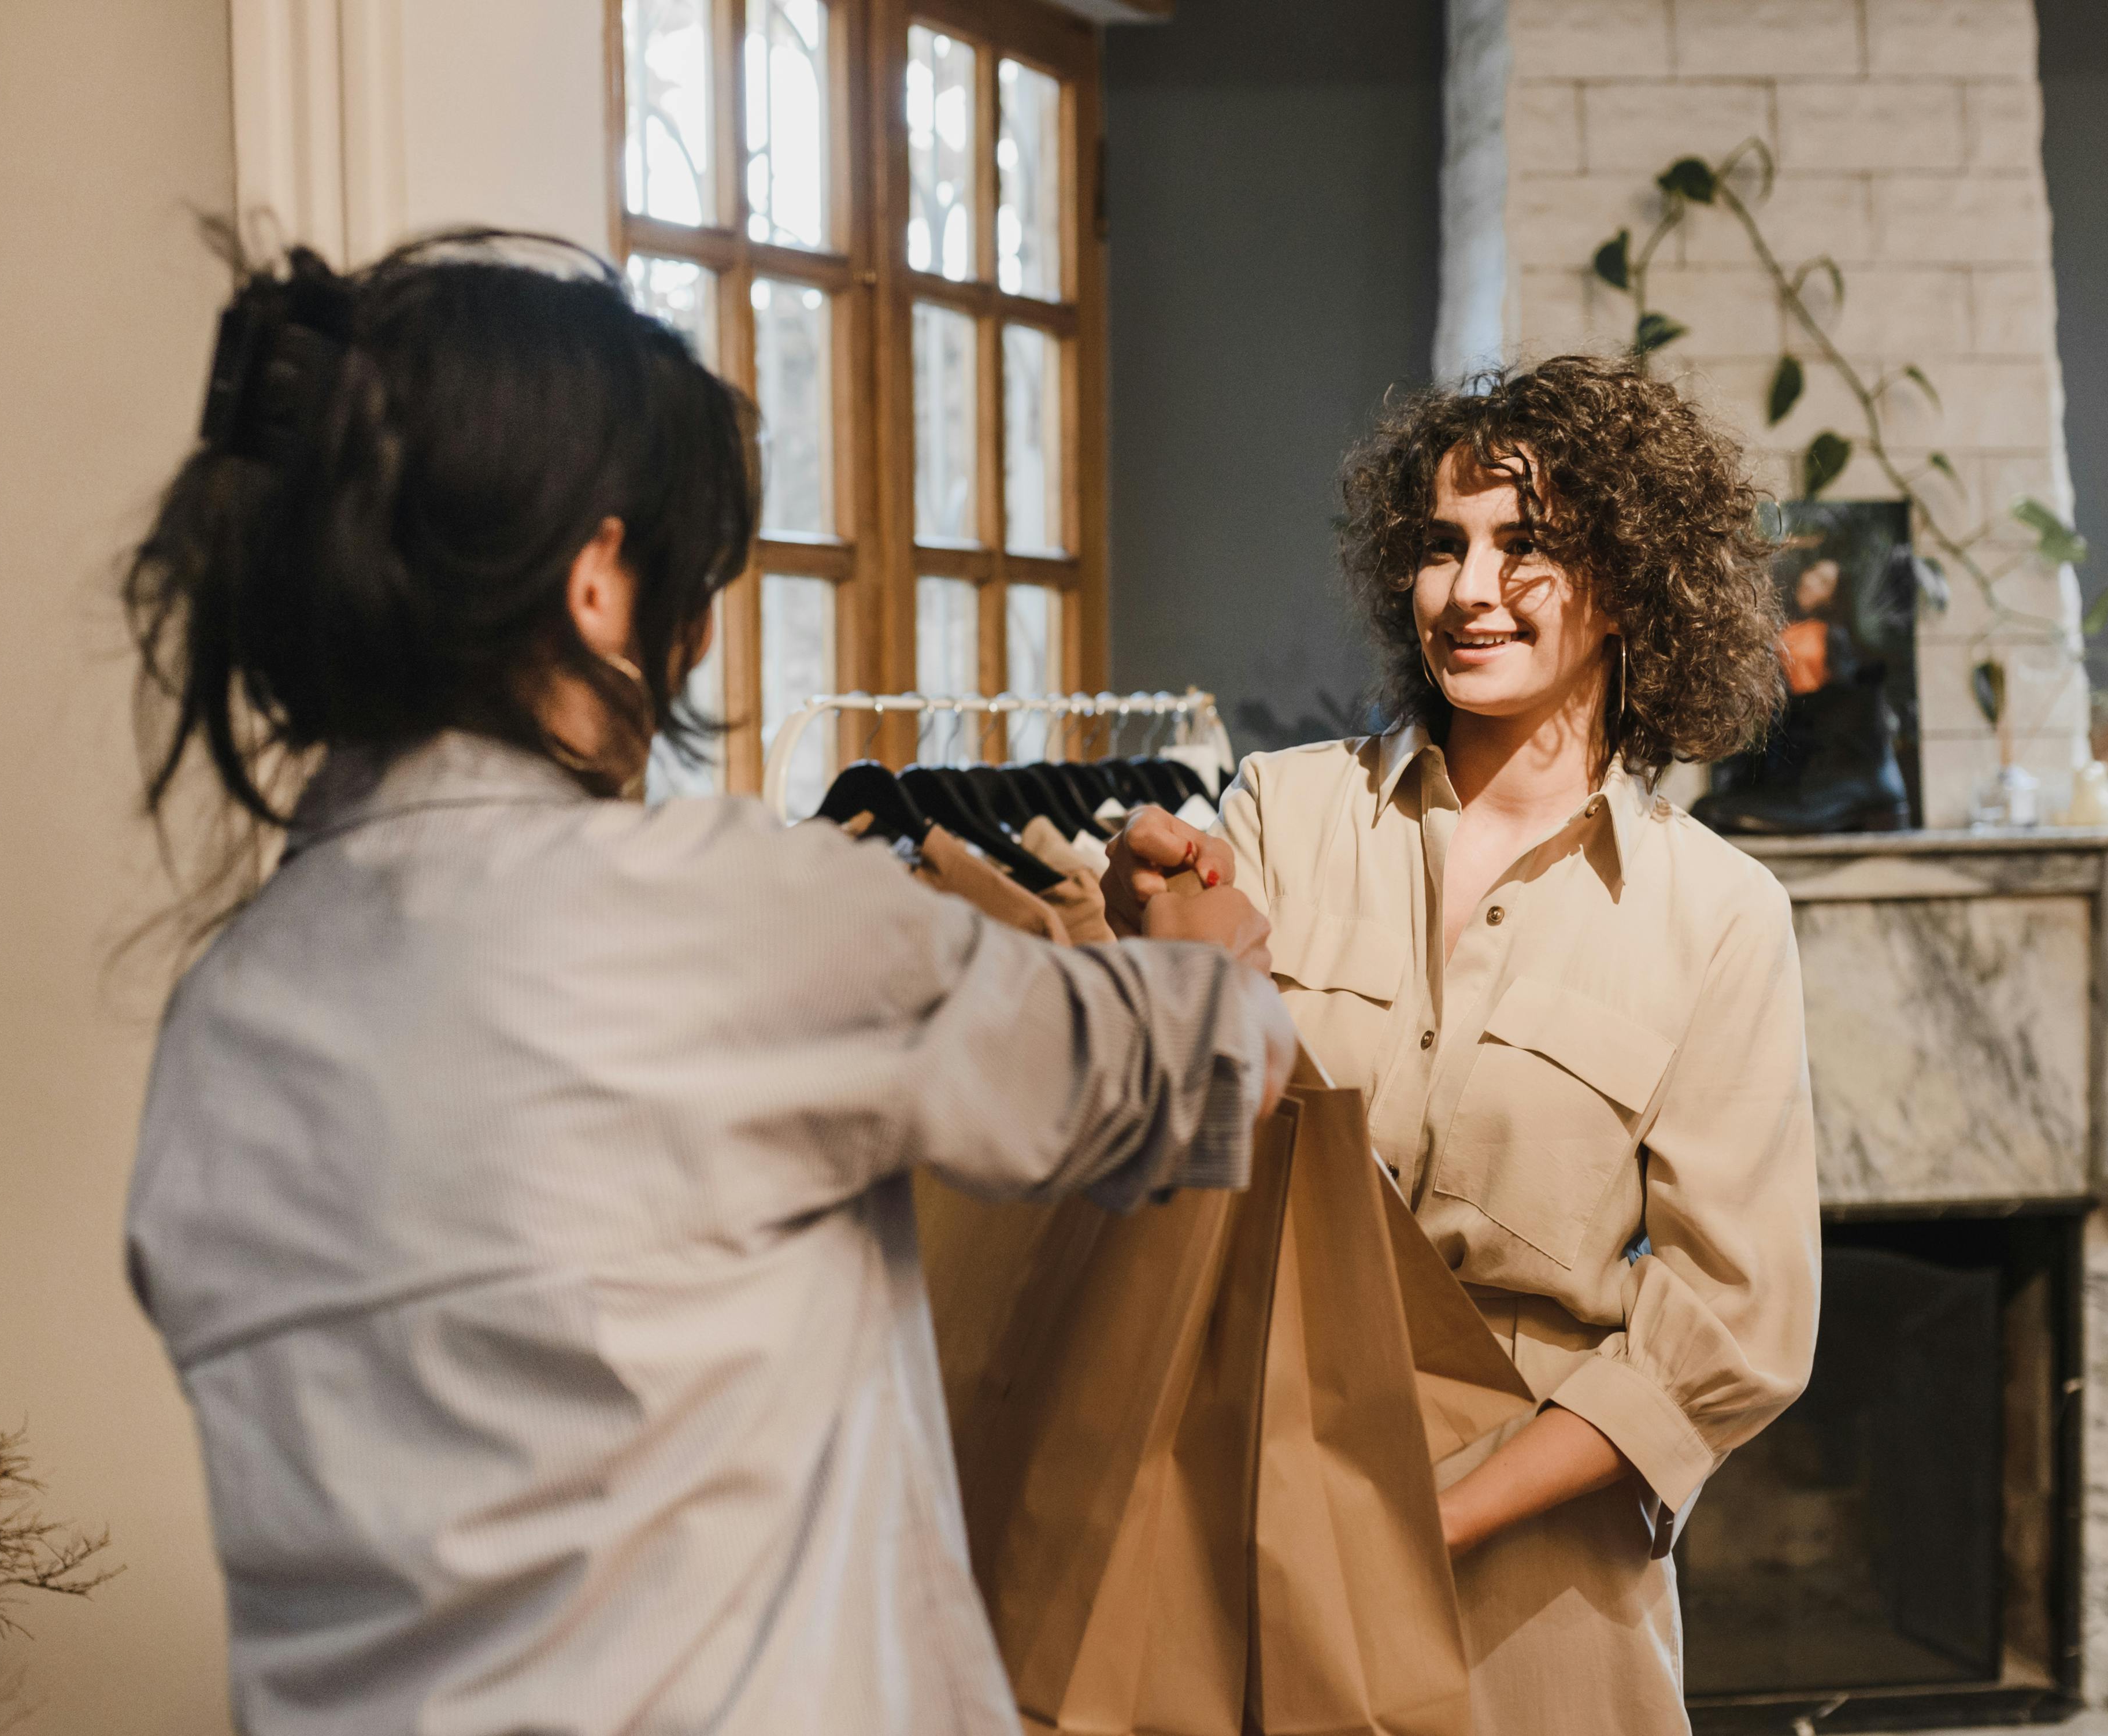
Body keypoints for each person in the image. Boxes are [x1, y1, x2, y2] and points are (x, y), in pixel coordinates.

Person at [118, 232, 1294, 1735]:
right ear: (600, 582)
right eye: (695, 586)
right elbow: (1158, 1072)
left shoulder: (221, 1017)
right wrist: (1203, 959)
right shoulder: (722, 912)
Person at [1107, 354, 1822, 1735]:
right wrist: (1148, 947)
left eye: (1527, 546)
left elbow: (1731, 1332)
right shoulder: (1280, 816)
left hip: (1540, 1576)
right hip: (1259, 1520)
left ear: (1627, 581)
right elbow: (1175, 1160)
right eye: (1444, 546)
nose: (1471, 587)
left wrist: (1438, 1517)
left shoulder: (1722, 917)